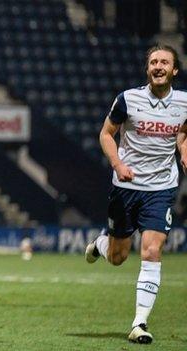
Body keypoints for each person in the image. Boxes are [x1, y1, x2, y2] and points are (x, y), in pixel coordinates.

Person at [85, 44, 187, 344]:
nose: (158, 66)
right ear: (147, 69)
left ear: (174, 70)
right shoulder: (128, 99)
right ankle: (102, 243)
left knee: (152, 251)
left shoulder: (184, 103)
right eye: (153, 61)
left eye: (164, 62)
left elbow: (182, 134)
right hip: (126, 187)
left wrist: (184, 151)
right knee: (118, 256)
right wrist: (118, 164)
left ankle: (139, 323)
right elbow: (106, 134)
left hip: (161, 188)